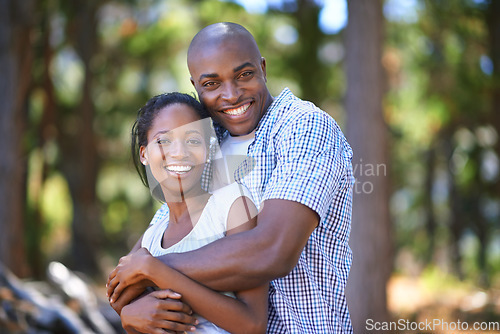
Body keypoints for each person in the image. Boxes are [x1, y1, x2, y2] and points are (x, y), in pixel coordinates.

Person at [108, 22, 354, 333]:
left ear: (262, 68)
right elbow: (130, 272)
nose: (231, 94)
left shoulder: (303, 128)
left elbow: (272, 250)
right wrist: (130, 311)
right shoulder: (205, 144)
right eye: (212, 84)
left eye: (244, 75)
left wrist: (152, 272)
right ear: (196, 86)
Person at [109, 92, 268, 334]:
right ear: (144, 154)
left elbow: (253, 325)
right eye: (163, 141)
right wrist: (129, 316)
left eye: (193, 141)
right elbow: (117, 297)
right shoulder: (152, 237)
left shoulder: (232, 206)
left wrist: (156, 271)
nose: (179, 152)